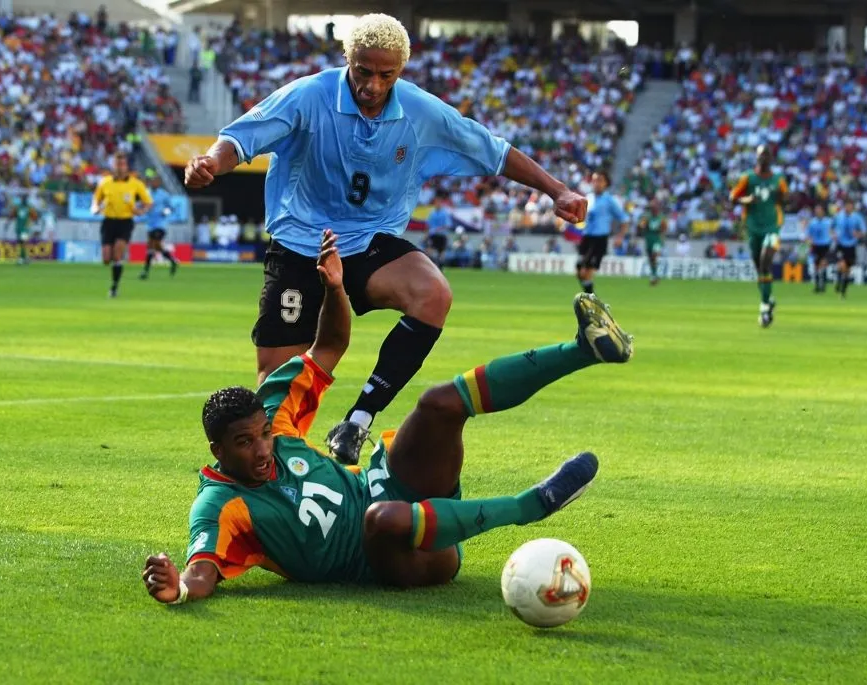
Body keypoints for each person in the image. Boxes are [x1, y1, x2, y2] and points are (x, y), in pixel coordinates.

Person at [141, 230, 633, 603]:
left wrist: (334, 287)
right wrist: (178, 589)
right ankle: (533, 505)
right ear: (218, 452)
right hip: (394, 556)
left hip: (390, 482)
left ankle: (584, 350)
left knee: (439, 404)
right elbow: (201, 571)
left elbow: (329, 344)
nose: (263, 448)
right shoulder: (221, 505)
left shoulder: (275, 412)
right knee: (382, 518)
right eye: (246, 443)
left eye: (264, 434)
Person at [183, 14, 587, 466]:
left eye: (385, 74)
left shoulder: (420, 111)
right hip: (299, 245)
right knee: (277, 389)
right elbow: (240, 139)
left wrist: (558, 190)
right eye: (363, 71)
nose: (373, 85)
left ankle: (358, 420)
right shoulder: (308, 95)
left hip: (368, 242)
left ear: (401, 70)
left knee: (433, 294)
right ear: (347, 60)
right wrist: (209, 164)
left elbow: (492, 150)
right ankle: (281, 481)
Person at [729, 145, 788, 328]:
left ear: (771, 158)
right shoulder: (748, 178)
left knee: (765, 262)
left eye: (767, 156)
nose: (764, 159)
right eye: (761, 155)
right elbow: (732, 197)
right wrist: (746, 200)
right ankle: (768, 298)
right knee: (760, 269)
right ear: (756, 158)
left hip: (772, 226)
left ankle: (763, 309)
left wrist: (784, 200)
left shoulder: (779, 180)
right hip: (753, 228)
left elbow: (786, 200)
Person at [92, 153, 152, 298]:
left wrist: (141, 211)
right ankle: (115, 265)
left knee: (117, 255)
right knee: (106, 258)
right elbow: (95, 200)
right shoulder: (104, 182)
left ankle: (114, 287)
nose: (120, 167)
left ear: (126, 166)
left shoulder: (135, 183)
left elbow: (148, 202)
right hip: (108, 221)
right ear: (113, 166)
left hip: (125, 222)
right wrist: (95, 209)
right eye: (117, 164)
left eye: (122, 164)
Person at [576, 171, 628, 294]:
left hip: (600, 239)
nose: (596, 183)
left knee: (586, 271)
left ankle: (590, 299)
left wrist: (620, 237)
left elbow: (624, 219)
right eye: (594, 180)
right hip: (586, 237)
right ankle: (591, 297)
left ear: (606, 183)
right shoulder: (588, 198)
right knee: (579, 270)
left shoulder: (609, 200)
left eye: (600, 180)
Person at [139, 169, 178, 280]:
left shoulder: (164, 195)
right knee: (155, 247)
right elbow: (142, 205)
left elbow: (171, 208)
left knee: (152, 244)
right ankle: (172, 261)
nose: (153, 183)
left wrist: (165, 212)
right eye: (152, 181)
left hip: (161, 224)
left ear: (159, 182)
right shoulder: (146, 193)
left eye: (156, 181)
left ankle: (145, 272)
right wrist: (143, 209)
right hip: (150, 224)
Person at [832, 198, 866, 298]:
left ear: (852, 207)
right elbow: (831, 227)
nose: (848, 207)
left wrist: (858, 234)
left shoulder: (857, 218)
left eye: (850, 206)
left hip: (851, 246)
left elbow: (864, 231)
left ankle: (843, 290)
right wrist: (833, 234)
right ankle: (839, 282)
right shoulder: (838, 216)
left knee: (847, 270)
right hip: (841, 244)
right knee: (841, 265)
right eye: (846, 205)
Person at [638, 197, 666, 285]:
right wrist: (641, 226)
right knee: (650, 258)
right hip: (649, 238)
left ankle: (654, 275)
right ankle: (654, 275)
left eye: (655, 207)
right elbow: (641, 225)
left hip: (656, 238)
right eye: (652, 207)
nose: (654, 209)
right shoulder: (647, 216)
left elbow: (664, 228)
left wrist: (662, 238)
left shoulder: (661, 217)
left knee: (654, 255)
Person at [805, 204, 832, 293]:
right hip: (816, 246)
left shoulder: (828, 222)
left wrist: (833, 239)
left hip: (825, 245)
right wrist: (809, 242)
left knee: (823, 264)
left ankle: (823, 286)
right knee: (816, 266)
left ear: (823, 211)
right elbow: (809, 235)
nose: (818, 212)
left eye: (819, 210)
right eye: (816, 210)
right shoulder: (812, 222)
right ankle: (817, 286)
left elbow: (833, 232)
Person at [5, 195, 38, 265]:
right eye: (23, 199)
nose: (24, 200)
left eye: (25, 199)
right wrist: (7, 223)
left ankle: (22, 258)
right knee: (20, 242)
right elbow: (11, 216)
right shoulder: (18, 207)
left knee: (23, 242)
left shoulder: (29, 207)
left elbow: (35, 216)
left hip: (25, 229)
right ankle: (24, 258)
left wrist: (35, 222)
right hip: (18, 228)